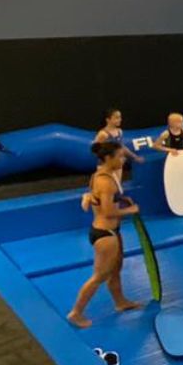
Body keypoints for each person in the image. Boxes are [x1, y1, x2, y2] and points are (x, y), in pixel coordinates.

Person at [67, 141, 145, 328]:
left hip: (112, 231)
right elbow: (108, 212)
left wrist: (122, 199)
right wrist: (131, 210)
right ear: (109, 158)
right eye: (120, 156)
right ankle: (76, 313)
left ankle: (120, 302)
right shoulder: (106, 181)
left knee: (115, 270)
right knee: (99, 276)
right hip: (105, 234)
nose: (123, 159)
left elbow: (100, 200)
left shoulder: (102, 175)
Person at [92, 108, 143, 173]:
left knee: (117, 180)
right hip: (105, 166)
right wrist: (108, 159)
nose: (120, 120)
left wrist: (135, 157)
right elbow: (94, 149)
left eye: (120, 117)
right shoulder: (103, 134)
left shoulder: (119, 131)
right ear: (108, 120)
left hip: (117, 165)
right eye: (116, 118)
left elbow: (122, 147)